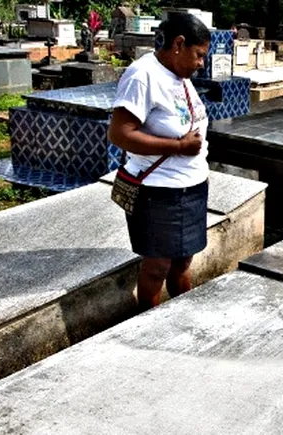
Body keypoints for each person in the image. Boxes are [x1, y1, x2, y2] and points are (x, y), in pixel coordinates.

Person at [108, 13, 211, 311]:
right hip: (159, 192)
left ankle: (181, 316)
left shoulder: (179, 74)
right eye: (199, 55)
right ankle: (149, 324)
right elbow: (120, 134)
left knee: (183, 260)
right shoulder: (142, 76)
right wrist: (179, 146)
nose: (201, 63)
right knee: (157, 267)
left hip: (190, 187)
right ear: (179, 44)